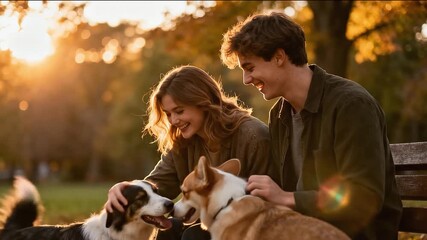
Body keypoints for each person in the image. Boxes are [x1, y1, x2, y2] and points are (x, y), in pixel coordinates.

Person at [220, 12, 402, 240]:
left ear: (278, 57)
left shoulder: (351, 105)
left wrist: (287, 197)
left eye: (250, 67)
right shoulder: (279, 115)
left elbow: (364, 198)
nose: (246, 79)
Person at [105, 65, 272, 240]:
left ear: (203, 102)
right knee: (168, 229)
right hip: (210, 223)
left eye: (179, 111)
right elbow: (157, 185)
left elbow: (268, 204)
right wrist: (124, 189)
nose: (174, 120)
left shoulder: (253, 137)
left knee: (194, 236)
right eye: (168, 114)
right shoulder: (184, 141)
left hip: (249, 228)